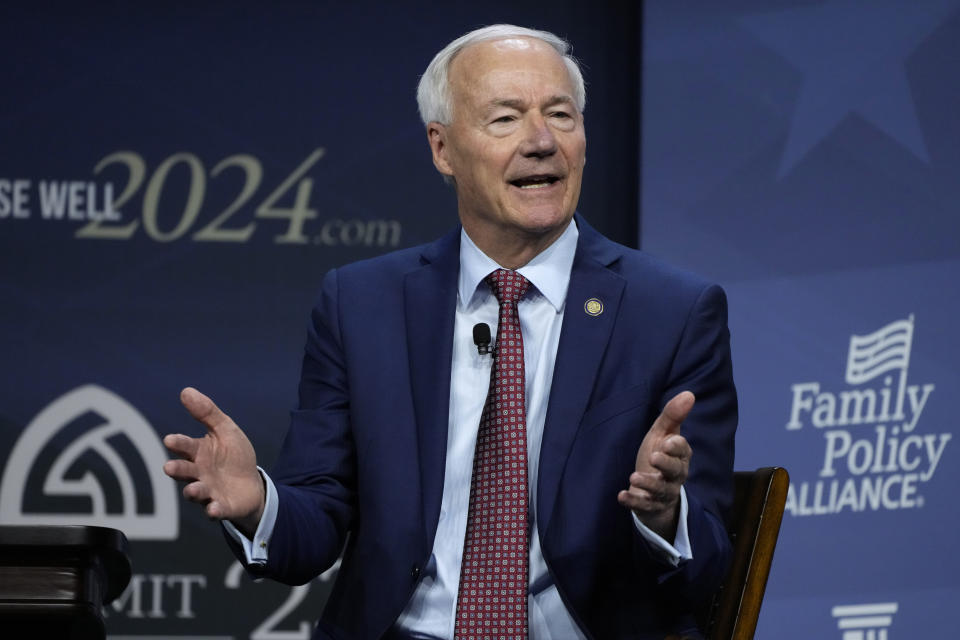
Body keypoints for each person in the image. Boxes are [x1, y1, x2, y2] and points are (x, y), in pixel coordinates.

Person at [163, 24, 737, 640]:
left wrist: (665, 512)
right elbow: (315, 523)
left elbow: (708, 568)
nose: (541, 141)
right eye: (505, 119)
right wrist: (259, 505)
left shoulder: (673, 310)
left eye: (561, 115)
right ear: (442, 148)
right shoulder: (361, 304)